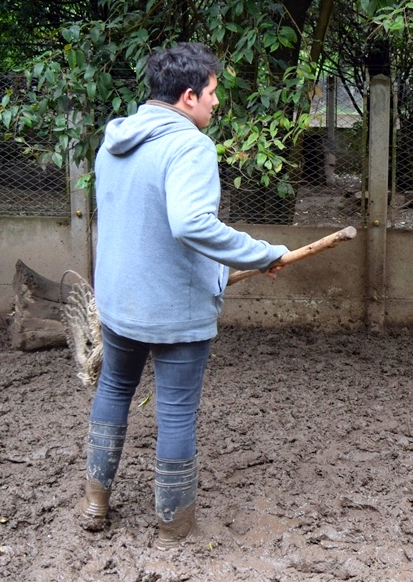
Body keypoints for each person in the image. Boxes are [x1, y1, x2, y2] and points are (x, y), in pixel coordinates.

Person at [78, 42, 289, 549]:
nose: (216, 104)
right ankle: (173, 524)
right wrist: (261, 253)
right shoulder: (190, 145)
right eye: (213, 93)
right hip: (173, 308)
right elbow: (191, 223)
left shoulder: (114, 140)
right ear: (189, 96)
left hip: (118, 302)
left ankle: (95, 501)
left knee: (112, 393)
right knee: (174, 411)